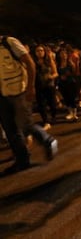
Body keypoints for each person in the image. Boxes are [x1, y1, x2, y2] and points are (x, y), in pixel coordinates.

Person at [0, 35, 58, 175]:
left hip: (18, 91)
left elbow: (30, 63)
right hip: (1, 95)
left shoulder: (9, 42)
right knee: (10, 129)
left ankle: (48, 140)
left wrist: (31, 88)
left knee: (26, 124)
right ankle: (22, 161)